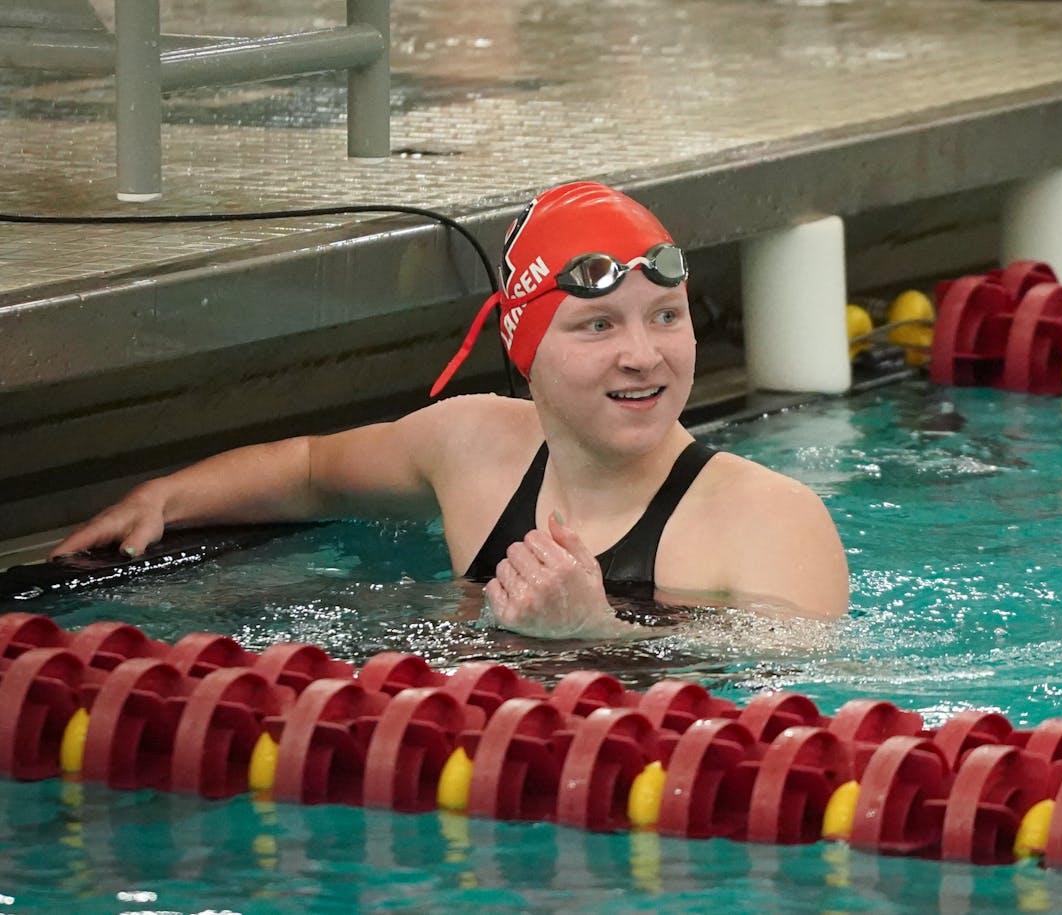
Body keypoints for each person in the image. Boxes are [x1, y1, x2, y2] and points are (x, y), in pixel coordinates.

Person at [52, 181, 850, 638]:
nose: (644, 353)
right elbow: (307, 470)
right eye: (598, 325)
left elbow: (791, 742)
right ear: (525, 350)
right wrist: (163, 497)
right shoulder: (471, 445)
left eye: (666, 316)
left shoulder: (772, 521)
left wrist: (598, 633)